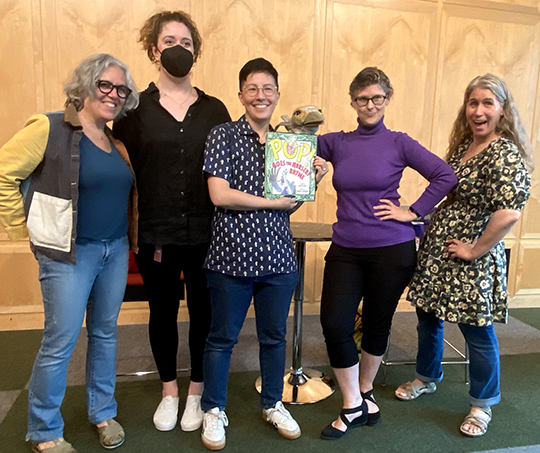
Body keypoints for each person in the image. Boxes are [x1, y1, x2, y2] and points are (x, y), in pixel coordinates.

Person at [0, 53, 139, 452]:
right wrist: (23, 230)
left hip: (114, 252)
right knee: (59, 342)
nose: (113, 95)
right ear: (85, 85)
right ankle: (44, 430)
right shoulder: (48, 128)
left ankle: (102, 412)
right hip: (68, 256)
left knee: (105, 334)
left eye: (121, 90)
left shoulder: (115, 143)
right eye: (105, 85)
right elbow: (4, 174)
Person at [316, 67, 457, 440]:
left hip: (392, 249)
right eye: (362, 98)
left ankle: (362, 393)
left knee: (378, 324)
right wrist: (310, 158)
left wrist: (413, 211)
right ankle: (353, 403)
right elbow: (293, 146)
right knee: (334, 324)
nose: (369, 105)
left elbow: (445, 176)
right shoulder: (337, 143)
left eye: (377, 97)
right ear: (352, 102)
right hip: (346, 249)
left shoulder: (399, 142)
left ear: (387, 99)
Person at [199, 57, 328, 451]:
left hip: (277, 258)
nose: (260, 95)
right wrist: (271, 204)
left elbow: (289, 205)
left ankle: (273, 403)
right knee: (222, 338)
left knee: (274, 338)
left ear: (277, 95)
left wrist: (312, 181)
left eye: (268, 88)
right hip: (230, 257)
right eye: (252, 88)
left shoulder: (287, 143)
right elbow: (219, 194)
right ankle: (213, 409)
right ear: (241, 95)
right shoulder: (222, 135)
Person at [395, 74, 532, 437]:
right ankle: (427, 377)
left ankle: (482, 404)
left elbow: (509, 212)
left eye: (488, 103)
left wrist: (473, 249)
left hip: (471, 258)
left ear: (502, 109)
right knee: (428, 318)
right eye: (473, 103)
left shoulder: (503, 152)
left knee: (477, 331)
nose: (478, 111)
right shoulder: (463, 147)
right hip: (440, 252)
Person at [113, 11, 231, 433]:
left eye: (186, 42)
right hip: (156, 232)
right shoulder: (133, 110)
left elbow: (235, 163)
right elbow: (116, 165)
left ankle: (197, 390)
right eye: (169, 41)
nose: (177, 49)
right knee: (161, 311)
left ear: (195, 51)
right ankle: (169, 391)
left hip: (207, 231)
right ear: (153, 50)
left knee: (204, 312)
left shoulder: (215, 110)